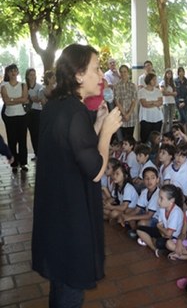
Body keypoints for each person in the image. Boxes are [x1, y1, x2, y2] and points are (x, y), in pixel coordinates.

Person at [32, 44, 122, 307]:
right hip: (71, 215)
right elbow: (95, 170)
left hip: (55, 210)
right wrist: (106, 132)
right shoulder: (75, 112)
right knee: (71, 287)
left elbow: (75, 149)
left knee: (60, 283)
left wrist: (94, 125)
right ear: (79, 75)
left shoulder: (56, 106)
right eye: (96, 69)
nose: (101, 75)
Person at [136, 184, 184, 258]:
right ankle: (154, 248)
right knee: (139, 229)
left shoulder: (176, 212)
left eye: (161, 198)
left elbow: (169, 234)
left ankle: (153, 242)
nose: (158, 200)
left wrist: (159, 228)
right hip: (163, 233)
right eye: (159, 197)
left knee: (160, 242)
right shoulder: (162, 209)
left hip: (172, 238)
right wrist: (160, 229)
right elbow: (161, 227)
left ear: (171, 200)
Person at [1, 64, 29, 172]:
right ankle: (14, 163)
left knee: (22, 141)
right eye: (11, 71)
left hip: (22, 116)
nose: (13, 73)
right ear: (8, 73)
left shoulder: (23, 85)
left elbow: (25, 98)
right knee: (12, 141)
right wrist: (19, 99)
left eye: (15, 71)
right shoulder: (4, 86)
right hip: (10, 116)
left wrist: (12, 100)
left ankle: (23, 163)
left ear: (17, 72)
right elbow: (6, 101)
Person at [138, 72, 163, 143]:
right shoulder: (142, 91)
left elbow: (160, 102)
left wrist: (151, 102)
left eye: (156, 80)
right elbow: (144, 104)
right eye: (153, 80)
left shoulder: (158, 91)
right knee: (145, 138)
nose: (155, 81)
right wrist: (155, 103)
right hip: (146, 118)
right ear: (148, 80)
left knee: (156, 139)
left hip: (157, 117)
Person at [114, 64, 137, 140]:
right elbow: (117, 101)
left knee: (130, 138)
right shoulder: (116, 86)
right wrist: (124, 114)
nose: (123, 74)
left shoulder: (133, 85)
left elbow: (134, 101)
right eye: (121, 72)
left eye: (125, 72)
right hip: (121, 116)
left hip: (131, 116)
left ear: (128, 73)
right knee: (121, 139)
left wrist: (128, 114)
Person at [25, 68, 42, 160]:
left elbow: (39, 99)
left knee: (38, 133)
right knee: (32, 133)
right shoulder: (24, 86)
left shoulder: (39, 86)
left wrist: (29, 98)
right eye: (31, 74)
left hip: (37, 111)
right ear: (27, 76)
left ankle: (40, 153)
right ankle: (36, 153)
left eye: (34, 74)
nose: (33, 76)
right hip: (27, 112)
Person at [160, 68, 177, 133]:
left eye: (170, 74)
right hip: (165, 103)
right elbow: (163, 93)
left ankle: (170, 133)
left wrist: (169, 93)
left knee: (171, 120)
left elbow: (175, 93)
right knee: (165, 120)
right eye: (168, 73)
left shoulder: (173, 83)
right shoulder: (163, 82)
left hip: (172, 102)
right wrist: (171, 93)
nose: (169, 75)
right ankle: (163, 133)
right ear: (165, 74)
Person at [174, 67, 187, 131]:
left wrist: (184, 102)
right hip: (178, 103)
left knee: (184, 118)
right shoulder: (175, 81)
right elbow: (175, 94)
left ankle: (183, 132)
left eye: (182, 71)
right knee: (183, 118)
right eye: (180, 71)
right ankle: (183, 132)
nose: (181, 73)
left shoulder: (186, 81)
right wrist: (178, 102)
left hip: (185, 103)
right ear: (178, 73)